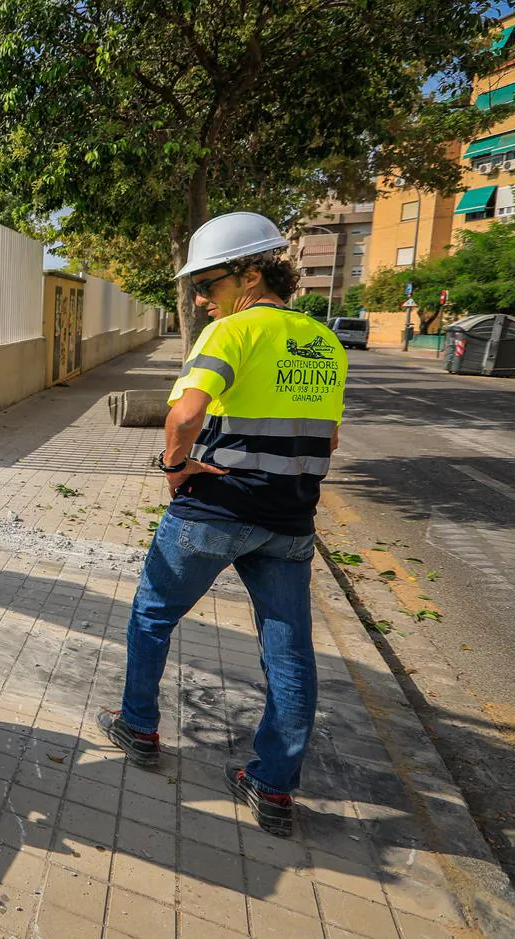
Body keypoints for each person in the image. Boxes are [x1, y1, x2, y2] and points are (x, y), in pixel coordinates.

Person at [96, 211, 348, 837]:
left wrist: (175, 469)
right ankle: (273, 786)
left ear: (252, 275)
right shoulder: (327, 344)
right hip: (290, 518)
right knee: (288, 651)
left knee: (153, 613)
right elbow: (331, 437)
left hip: (216, 507)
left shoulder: (233, 334)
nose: (202, 298)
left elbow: (183, 419)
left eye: (209, 283)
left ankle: (138, 727)